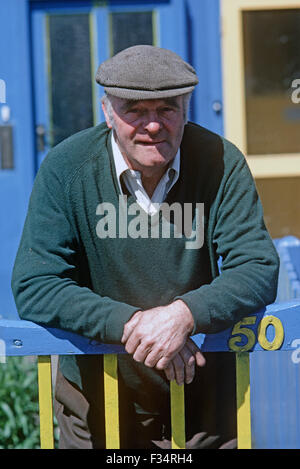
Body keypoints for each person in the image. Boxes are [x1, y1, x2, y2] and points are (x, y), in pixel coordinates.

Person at [11, 45, 279, 449]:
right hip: (96, 403)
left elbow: (257, 266)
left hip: (204, 405)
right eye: (134, 110)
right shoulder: (68, 167)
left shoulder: (220, 161)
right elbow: (36, 283)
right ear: (107, 111)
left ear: (186, 110)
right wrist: (137, 325)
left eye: (167, 108)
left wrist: (184, 315)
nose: (152, 125)